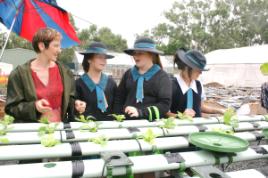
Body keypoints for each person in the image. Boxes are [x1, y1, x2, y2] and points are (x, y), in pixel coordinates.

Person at [5, 27, 86, 123]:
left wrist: (76, 105)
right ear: (42, 46)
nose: (59, 50)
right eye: (56, 46)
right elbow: (11, 108)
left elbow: (69, 101)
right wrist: (34, 107)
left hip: (59, 131)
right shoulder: (19, 74)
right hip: (32, 133)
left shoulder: (66, 73)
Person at [114, 37, 172, 121]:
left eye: (140, 53)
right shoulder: (128, 74)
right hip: (127, 125)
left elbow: (164, 105)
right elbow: (119, 99)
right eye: (134, 53)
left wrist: (141, 112)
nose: (135, 56)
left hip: (151, 126)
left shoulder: (162, 77)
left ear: (151, 54)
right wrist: (119, 118)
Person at [168, 49, 225, 118]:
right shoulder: (171, 85)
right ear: (187, 67)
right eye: (198, 70)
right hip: (179, 127)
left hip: (198, 127)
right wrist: (181, 116)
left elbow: (201, 106)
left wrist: (220, 110)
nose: (201, 73)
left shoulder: (198, 85)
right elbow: (165, 112)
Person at [75, 42, 117, 120]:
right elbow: (73, 109)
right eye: (99, 57)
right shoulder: (78, 84)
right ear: (89, 59)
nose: (103, 61)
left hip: (109, 127)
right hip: (87, 127)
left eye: (105, 58)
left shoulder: (111, 83)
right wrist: (77, 106)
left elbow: (117, 107)